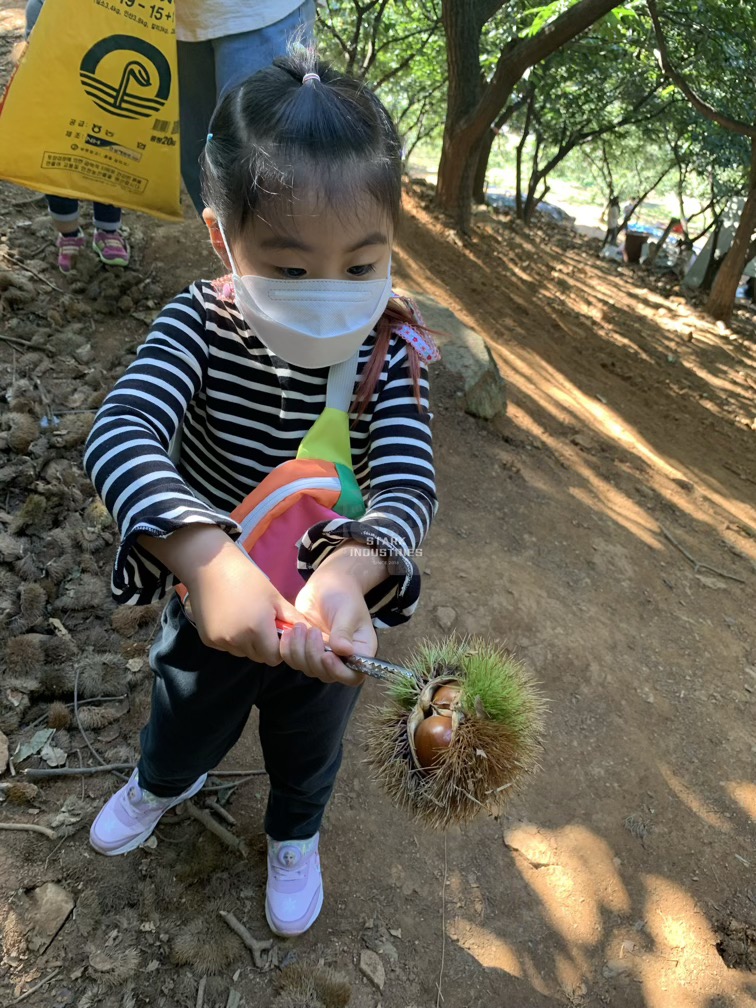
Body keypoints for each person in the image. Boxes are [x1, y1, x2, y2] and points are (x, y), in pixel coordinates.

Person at [83, 50, 438, 939]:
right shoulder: (196, 327)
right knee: (184, 710)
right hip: (210, 605)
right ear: (221, 239)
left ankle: (294, 834)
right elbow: (119, 433)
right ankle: (164, 782)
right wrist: (205, 561)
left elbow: (406, 477)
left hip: (328, 622)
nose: (332, 294)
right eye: (288, 267)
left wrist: (353, 572)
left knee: (310, 744)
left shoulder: (389, 354)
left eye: (362, 267)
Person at [176, 2, 317, 214]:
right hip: (180, 20)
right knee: (201, 168)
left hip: (265, 11)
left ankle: (279, 244)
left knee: (270, 166)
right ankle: (234, 244)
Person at [24, 0, 130, 273]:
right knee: (57, 158)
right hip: (56, 77)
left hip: (106, 67)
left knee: (108, 151)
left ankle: (108, 231)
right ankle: (68, 234)